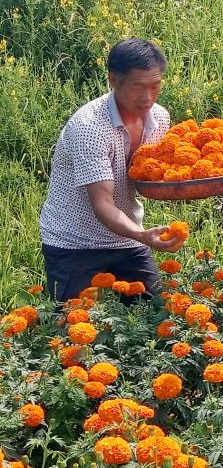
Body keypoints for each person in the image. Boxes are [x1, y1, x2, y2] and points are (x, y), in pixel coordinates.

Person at [39, 38, 187, 303]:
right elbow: (103, 203)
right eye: (138, 87)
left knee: (157, 313)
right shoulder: (90, 127)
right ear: (112, 80)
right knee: (72, 326)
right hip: (74, 241)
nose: (148, 97)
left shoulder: (159, 118)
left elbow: (152, 176)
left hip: (127, 237)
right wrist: (143, 236)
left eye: (155, 86)